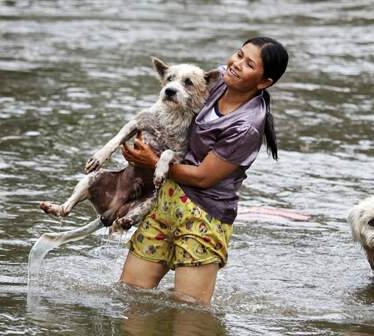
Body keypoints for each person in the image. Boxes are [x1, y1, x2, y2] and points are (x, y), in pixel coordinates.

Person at [118, 37, 289, 304]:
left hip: (204, 217)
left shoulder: (246, 126)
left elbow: (203, 177)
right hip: (166, 203)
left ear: (264, 82)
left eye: (249, 64)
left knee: (190, 316)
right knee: (130, 298)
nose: (235, 64)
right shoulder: (217, 79)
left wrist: (152, 161)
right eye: (239, 54)